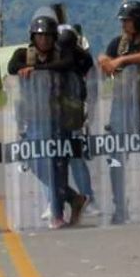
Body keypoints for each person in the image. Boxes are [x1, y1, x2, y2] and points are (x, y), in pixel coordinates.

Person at [8, 16, 88, 229]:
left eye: (47, 36)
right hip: (34, 117)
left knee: (58, 165)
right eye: (39, 36)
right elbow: (12, 66)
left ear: (54, 37)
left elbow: (69, 63)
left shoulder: (62, 54)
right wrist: (24, 68)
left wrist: (36, 71)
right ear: (33, 37)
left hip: (58, 118)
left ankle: (57, 214)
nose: (43, 40)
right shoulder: (24, 54)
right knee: (34, 160)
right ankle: (73, 198)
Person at [98, 1, 140, 224]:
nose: (125, 24)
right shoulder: (119, 43)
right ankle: (119, 206)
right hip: (122, 105)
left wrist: (124, 60)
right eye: (123, 21)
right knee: (116, 156)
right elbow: (104, 59)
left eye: (128, 20)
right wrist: (106, 60)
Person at [57, 24, 96, 214]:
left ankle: (88, 196)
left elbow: (89, 85)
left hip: (74, 113)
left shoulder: (81, 59)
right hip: (57, 114)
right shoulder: (57, 57)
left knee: (75, 156)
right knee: (58, 158)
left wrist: (89, 112)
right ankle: (55, 200)